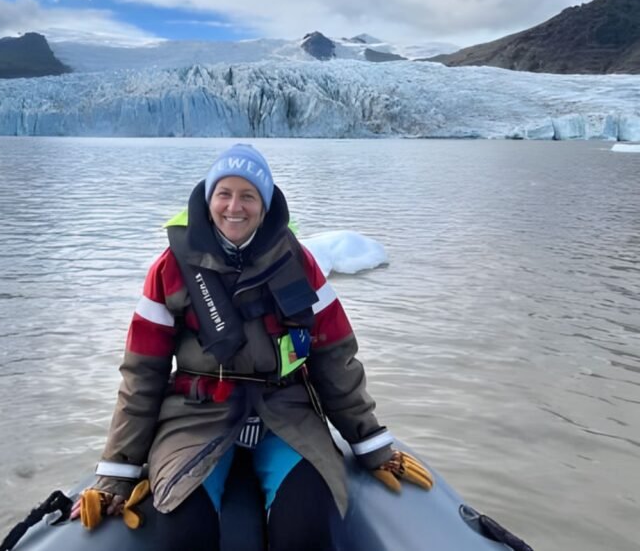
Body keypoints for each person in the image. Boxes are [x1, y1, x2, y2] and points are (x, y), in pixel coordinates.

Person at [69, 144, 432, 550]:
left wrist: (370, 443)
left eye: (248, 195)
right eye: (224, 193)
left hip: (287, 415)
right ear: (208, 201)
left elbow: (335, 358)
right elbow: (143, 373)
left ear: (265, 203)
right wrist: (118, 471)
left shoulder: (300, 262)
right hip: (196, 416)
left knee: (307, 529)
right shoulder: (171, 268)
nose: (234, 207)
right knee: (183, 531)